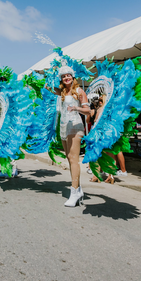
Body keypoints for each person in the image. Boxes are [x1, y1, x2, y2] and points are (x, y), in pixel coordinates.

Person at [45, 64, 90, 207]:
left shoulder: (79, 91)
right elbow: (49, 87)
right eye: (63, 76)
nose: (66, 78)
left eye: (68, 75)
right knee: (69, 159)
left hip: (75, 126)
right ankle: (78, 189)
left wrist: (76, 107)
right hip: (64, 127)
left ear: (73, 76)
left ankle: (74, 191)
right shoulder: (63, 92)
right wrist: (46, 77)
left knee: (73, 158)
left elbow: (88, 111)